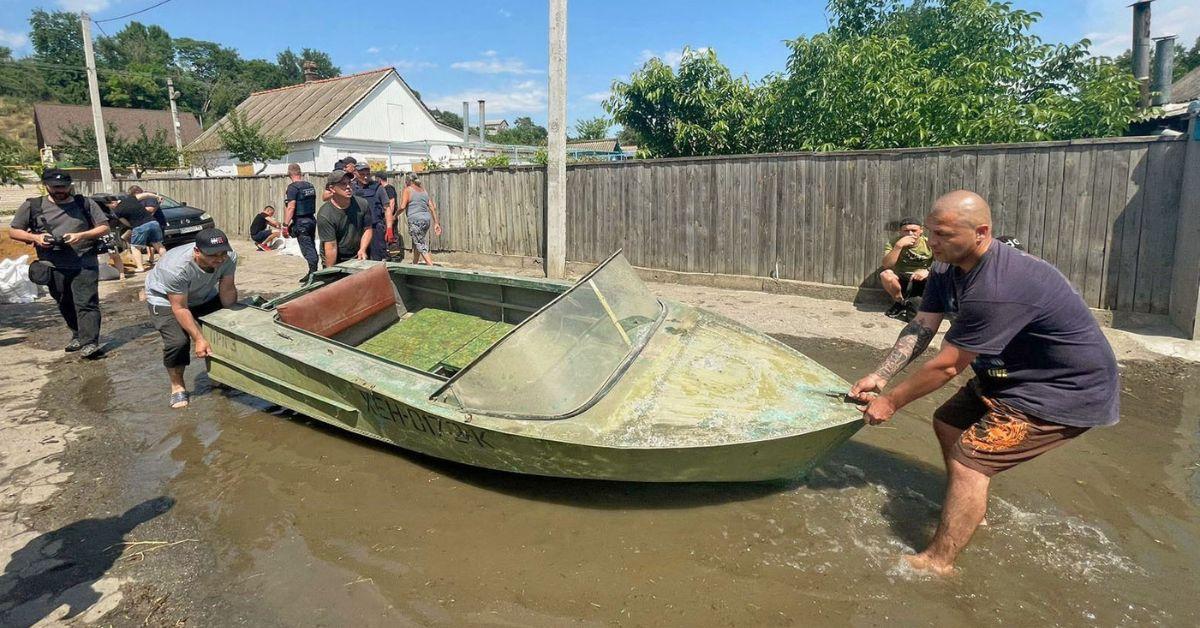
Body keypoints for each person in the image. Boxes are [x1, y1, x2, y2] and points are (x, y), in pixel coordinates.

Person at [849, 190, 1119, 576]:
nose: (932, 243)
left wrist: (890, 402)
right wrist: (881, 375)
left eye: (943, 235)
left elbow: (947, 366)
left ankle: (938, 562)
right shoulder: (946, 266)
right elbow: (923, 325)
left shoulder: (998, 287)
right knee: (948, 421)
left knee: (969, 462)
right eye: (930, 233)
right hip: (1009, 374)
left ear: (981, 232)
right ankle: (967, 508)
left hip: (1062, 390)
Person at [7, 169, 110, 358]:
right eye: (55, 187)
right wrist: (35, 237)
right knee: (64, 301)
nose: (60, 190)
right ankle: (77, 334)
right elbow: (14, 231)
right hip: (52, 264)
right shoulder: (33, 205)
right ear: (46, 185)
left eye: (64, 186)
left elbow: (104, 227)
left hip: (84, 262)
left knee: (87, 303)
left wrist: (81, 235)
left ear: (70, 185)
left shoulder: (85, 203)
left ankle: (90, 343)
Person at [144, 228, 238, 409]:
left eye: (223, 253)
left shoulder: (229, 257)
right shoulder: (176, 268)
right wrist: (199, 338)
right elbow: (180, 308)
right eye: (213, 255)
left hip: (202, 293)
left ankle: (218, 376)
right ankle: (177, 386)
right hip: (165, 299)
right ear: (197, 251)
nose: (219, 259)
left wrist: (231, 319)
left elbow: (227, 289)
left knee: (219, 331)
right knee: (178, 343)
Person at [880, 217, 933, 320]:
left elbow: (943, 262)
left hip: (921, 279)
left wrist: (927, 271)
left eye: (914, 230)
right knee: (885, 275)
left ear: (921, 230)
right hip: (902, 278)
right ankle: (899, 302)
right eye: (906, 230)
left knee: (914, 317)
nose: (910, 233)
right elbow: (887, 265)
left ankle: (913, 304)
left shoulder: (928, 243)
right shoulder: (894, 242)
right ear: (901, 232)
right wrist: (898, 246)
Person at [316, 171, 372, 267]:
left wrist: (363, 249)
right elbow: (331, 247)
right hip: (336, 258)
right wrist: (330, 272)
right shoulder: (325, 214)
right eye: (343, 184)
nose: (348, 187)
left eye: (349, 183)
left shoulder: (362, 204)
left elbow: (367, 229)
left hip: (359, 255)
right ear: (332, 188)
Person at [283, 163, 319, 280]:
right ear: (300, 173)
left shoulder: (293, 188)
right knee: (311, 246)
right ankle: (312, 272)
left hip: (301, 222)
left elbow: (291, 207)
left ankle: (314, 275)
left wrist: (285, 225)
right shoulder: (309, 185)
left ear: (289, 174)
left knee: (307, 249)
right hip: (311, 220)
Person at [113, 192, 166, 272]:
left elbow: (126, 223)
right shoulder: (132, 199)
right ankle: (167, 263)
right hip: (153, 222)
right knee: (158, 244)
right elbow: (146, 195)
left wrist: (132, 226)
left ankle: (140, 267)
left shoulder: (117, 211)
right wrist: (157, 196)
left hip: (139, 226)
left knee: (135, 247)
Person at [397, 174, 442, 265]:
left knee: (420, 243)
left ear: (408, 182)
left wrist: (395, 215)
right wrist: (436, 223)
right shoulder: (424, 191)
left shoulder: (408, 190)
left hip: (415, 221)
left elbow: (402, 207)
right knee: (417, 241)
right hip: (426, 220)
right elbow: (432, 207)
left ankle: (432, 267)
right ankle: (415, 264)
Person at [350, 162, 390, 261]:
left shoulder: (378, 188)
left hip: (375, 228)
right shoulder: (350, 188)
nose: (366, 177)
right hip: (357, 229)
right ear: (355, 173)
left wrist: (389, 228)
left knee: (377, 259)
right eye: (362, 174)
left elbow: (387, 208)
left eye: (368, 174)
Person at [378, 171, 401, 252]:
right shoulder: (382, 189)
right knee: (386, 236)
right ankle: (387, 255)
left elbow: (392, 202)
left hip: (390, 217)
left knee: (392, 236)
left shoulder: (389, 188)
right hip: (385, 217)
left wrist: (389, 216)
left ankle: (395, 257)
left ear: (379, 179)